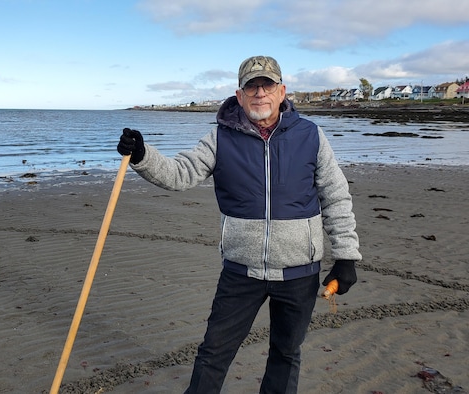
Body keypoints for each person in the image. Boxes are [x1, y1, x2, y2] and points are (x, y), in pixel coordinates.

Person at [116, 55, 361, 394]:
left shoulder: (311, 136)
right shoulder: (220, 138)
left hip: (300, 272)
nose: (259, 92)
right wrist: (143, 155)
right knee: (214, 352)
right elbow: (180, 174)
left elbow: (336, 196)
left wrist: (346, 257)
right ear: (240, 94)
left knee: (286, 353)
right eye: (251, 86)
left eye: (267, 85)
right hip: (240, 272)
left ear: (281, 91)